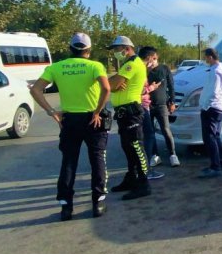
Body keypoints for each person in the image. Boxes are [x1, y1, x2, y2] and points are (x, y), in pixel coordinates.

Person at [29, 32, 111, 221]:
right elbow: (106, 88)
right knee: (97, 159)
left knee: (69, 161)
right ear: (88, 50)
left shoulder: (56, 67)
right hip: (93, 119)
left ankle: (66, 206)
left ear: (70, 49)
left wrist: (52, 111)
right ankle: (98, 202)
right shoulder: (95, 66)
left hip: (69, 119)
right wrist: (97, 111)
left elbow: (35, 89)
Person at [107, 36, 152, 200]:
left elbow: (111, 85)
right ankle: (132, 178)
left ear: (126, 48)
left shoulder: (132, 64)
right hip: (124, 113)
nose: (114, 53)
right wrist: (114, 83)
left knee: (136, 148)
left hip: (132, 112)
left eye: (116, 49)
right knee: (128, 148)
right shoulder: (127, 64)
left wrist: (111, 83)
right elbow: (114, 84)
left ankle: (144, 184)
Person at [139, 46, 180, 167]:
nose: (149, 63)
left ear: (155, 57)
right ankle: (155, 156)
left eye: (150, 59)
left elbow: (171, 87)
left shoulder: (164, 68)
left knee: (166, 129)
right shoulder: (143, 70)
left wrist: (172, 102)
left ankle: (173, 154)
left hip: (162, 105)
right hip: (147, 106)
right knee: (150, 132)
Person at [198, 47, 222, 178]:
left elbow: (213, 92)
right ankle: (219, 164)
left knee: (210, 138)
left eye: (206, 57)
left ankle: (215, 167)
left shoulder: (216, 72)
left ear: (210, 57)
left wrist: (204, 105)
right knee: (215, 137)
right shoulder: (219, 70)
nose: (205, 60)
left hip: (212, 108)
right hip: (217, 107)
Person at [139, 76, 165, 180]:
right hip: (140, 106)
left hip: (143, 106)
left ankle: (141, 168)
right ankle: (146, 169)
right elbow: (137, 91)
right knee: (148, 136)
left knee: (144, 137)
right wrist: (151, 88)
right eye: (151, 58)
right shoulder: (138, 68)